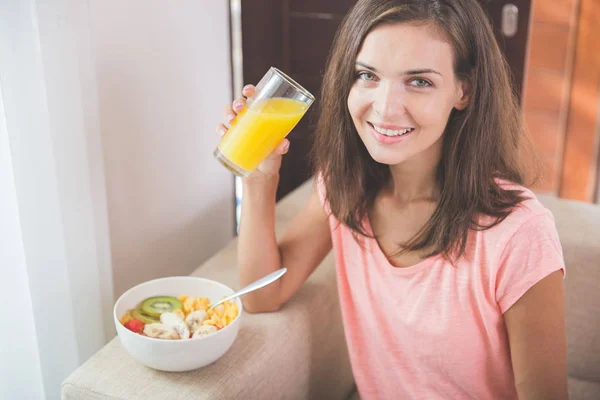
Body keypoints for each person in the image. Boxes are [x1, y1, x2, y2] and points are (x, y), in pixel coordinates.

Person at [216, 0, 568, 398]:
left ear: (463, 91)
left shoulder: (520, 233)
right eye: (367, 75)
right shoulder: (343, 188)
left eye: (419, 81)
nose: (384, 108)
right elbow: (262, 296)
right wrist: (259, 182)